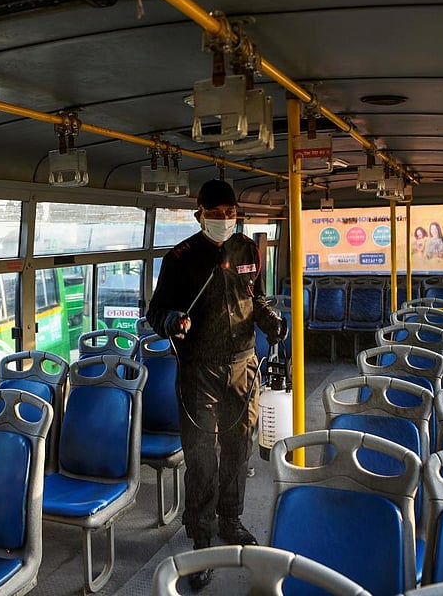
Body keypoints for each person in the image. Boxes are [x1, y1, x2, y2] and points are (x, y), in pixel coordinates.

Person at [146, 179, 286, 590]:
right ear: (199, 213)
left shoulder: (248, 250)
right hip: (199, 370)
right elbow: (156, 311)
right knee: (203, 455)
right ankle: (202, 540)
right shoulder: (180, 258)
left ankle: (231, 519)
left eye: (230, 213)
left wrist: (270, 320)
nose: (225, 220)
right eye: (217, 214)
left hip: (243, 366)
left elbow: (254, 297)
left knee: (238, 449)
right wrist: (171, 322)